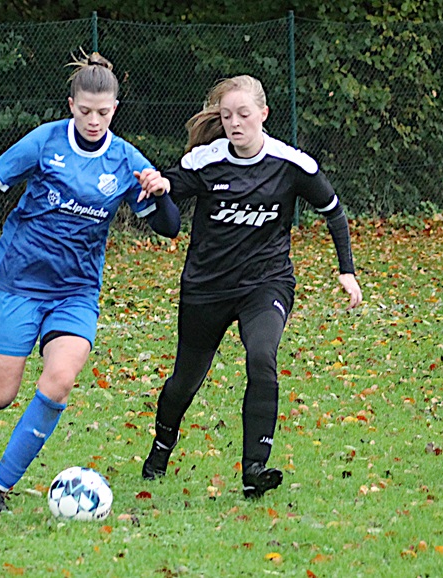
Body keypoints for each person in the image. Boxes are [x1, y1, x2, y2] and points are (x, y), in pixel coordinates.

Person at [0, 52, 180, 512]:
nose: (93, 120)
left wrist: (160, 195)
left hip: (76, 293)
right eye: (85, 111)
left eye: (103, 113)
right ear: (71, 104)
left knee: (60, 380)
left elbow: (169, 227)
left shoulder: (127, 161)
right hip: (19, 284)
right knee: (1, 395)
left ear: (115, 110)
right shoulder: (44, 143)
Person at [136, 75, 362, 499]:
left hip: (266, 282)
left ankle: (254, 469)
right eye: (227, 116)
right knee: (185, 381)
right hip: (207, 286)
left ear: (263, 114)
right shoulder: (207, 160)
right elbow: (170, 186)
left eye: (243, 114)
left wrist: (346, 270)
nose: (235, 123)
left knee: (262, 357)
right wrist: (161, 185)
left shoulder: (292, 164)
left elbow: (333, 211)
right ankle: (161, 447)